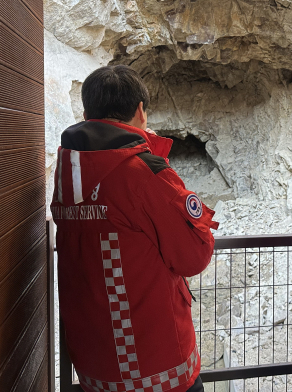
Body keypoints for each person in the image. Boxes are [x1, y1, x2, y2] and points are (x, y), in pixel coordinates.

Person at [51, 65, 218, 392]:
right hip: (156, 365)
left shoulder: (66, 174)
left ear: (86, 115)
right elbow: (194, 256)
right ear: (141, 111)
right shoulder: (143, 173)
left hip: (95, 365)